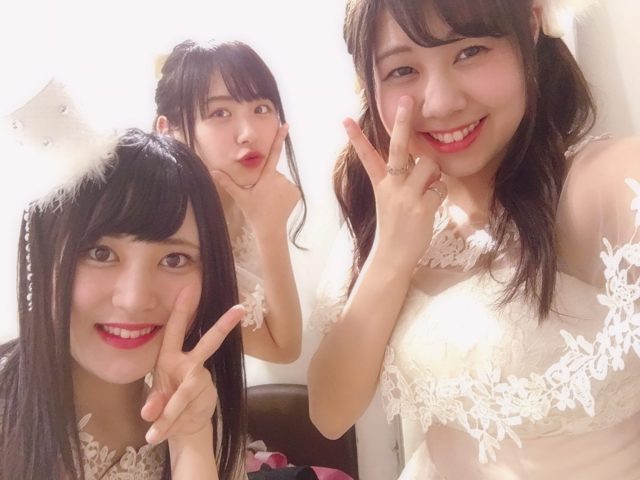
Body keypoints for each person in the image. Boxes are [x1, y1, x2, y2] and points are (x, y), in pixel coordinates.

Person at [308, 0, 640, 478]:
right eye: (402, 69)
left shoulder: (599, 187)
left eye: (470, 51)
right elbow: (330, 414)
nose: (441, 102)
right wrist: (391, 254)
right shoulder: (391, 209)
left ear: (531, 26)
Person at [0, 82, 247, 479]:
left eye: (173, 259)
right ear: (45, 261)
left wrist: (191, 441)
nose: (133, 299)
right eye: (100, 254)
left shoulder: (204, 418)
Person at [155, 39, 305, 364]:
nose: (248, 133)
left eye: (261, 108)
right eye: (220, 112)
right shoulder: (172, 232)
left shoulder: (245, 200)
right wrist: (271, 231)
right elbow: (283, 347)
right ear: (167, 131)